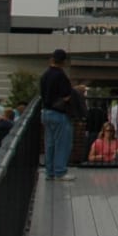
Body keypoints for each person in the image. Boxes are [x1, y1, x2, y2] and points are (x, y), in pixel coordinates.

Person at [39, 48, 77, 181]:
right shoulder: (61, 75)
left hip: (45, 112)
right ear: (64, 61)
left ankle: (49, 172)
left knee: (50, 144)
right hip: (59, 114)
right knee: (62, 143)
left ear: (52, 59)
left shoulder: (45, 75)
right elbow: (66, 96)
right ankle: (60, 171)